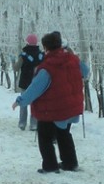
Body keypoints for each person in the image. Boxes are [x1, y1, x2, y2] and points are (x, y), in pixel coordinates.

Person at [12, 31, 87, 174]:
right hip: (70, 106)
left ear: (46, 48)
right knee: (64, 133)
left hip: (52, 109)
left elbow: (35, 88)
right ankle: (70, 163)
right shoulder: (73, 59)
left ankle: (50, 165)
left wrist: (20, 101)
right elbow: (86, 71)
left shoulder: (47, 67)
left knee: (45, 136)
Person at [13, 33, 43, 131]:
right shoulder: (41, 55)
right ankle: (34, 124)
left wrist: (13, 62)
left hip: (25, 82)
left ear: (27, 43)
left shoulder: (23, 55)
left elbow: (16, 68)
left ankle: (22, 123)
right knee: (35, 103)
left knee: (23, 102)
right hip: (37, 82)